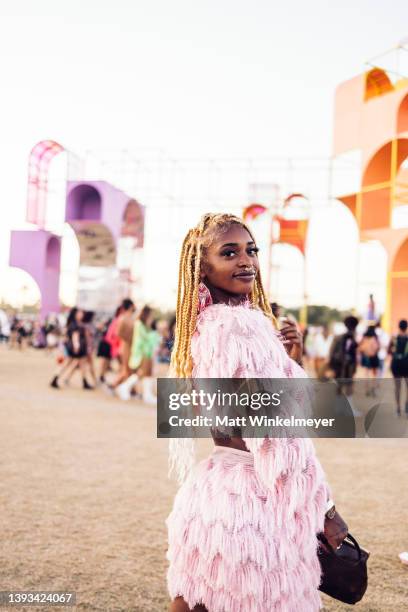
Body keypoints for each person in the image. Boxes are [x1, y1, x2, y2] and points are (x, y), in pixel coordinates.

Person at [166, 213, 347, 612]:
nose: (245, 260)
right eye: (229, 252)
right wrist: (326, 510)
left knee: (196, 601)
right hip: (254, 504)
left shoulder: (207, 325)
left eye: (251, 250)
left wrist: (287, 360)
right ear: (203, 266)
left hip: (212, 493)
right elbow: (275, 434)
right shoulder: (240, 329)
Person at [50, 307, 93, 390]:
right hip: (77, 348)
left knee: (79, 364)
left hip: (78, 347)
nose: (81, 314)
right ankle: (55, 378)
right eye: (79, 313)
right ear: (75, 314)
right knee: (68, 363)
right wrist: (76, 346)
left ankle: (84, 382)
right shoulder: (75, 324)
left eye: (82, 313)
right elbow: (75, 336)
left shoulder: (76, 323)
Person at [111, 298, 135, 389]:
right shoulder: (123, 318)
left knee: (129, 370)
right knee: (126, 370)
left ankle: (131, 390)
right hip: (125, 347)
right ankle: (113, 385)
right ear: (131, 306)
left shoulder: (131, 318)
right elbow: (118, 333)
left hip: (130, 347)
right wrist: (128, 339)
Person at [389, 319, 408, 417]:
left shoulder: (394, 338)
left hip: (396, 364)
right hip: (406, 364)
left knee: (397, 387)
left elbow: (389, 351)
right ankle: (406, 406)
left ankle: (397, 409)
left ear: (399, 327)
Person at [359, 326, 380, 396]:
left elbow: (360, 347)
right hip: (373, 356)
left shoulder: (364, 337)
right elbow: (377, 347)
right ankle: (373, 389)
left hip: (365, 356)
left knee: (366, 374)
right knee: (374, 374)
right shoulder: (375, 337)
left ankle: (367, 389)